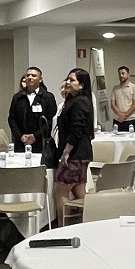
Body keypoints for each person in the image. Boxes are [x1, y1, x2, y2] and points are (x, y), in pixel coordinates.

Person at [50, 69, 95, 224]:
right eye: (67, 79)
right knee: (79, 192)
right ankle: (91, 222)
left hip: (75, 154)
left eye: (72, 80)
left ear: (81, 85)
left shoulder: (80, 102)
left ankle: (63, 228)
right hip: (80, 154)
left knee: (59, 192)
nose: (67, 82)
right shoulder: (73, 100)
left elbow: (76, 129)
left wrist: (66, 152)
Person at [8, 66, 56, 154]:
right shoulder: (17, 97)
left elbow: (49, 121)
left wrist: (35, 136)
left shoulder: (48, 97)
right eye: (28, 75)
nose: (30, 78)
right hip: (21, 143)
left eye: (33, 76)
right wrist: (20, 136)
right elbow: (12, 119)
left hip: (41, 143)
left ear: (40, 79)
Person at [109, 66, 135, 132]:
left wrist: (125, 116)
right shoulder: (115, 88)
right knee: (116, 140)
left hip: (129, 120)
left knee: (129, 141)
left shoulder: (134, 87)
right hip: (117, 120)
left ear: (128, 74)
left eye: (123, 73)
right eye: (119, 74)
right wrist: (120, 115)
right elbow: (112, 104)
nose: (121, 75)